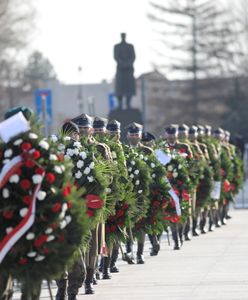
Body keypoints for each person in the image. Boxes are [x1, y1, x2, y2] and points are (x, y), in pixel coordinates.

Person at [55, 121, 86, 300]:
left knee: (74, 252)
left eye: (74, 135)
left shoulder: (83, 156)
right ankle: (62, 286)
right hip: (57, 209)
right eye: (69, 134)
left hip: (76, 210)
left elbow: (93, 183)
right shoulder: (53, 154)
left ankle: (73, 290)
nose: (73, 138)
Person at [114, 33, 136, 110]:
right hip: (120, 70)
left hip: (129, 70)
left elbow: (133, 56)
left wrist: (128, 64)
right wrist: (122, 64)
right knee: (120, 88)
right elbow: (116, 57)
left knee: (129, 87)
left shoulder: (130, 46)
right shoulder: (117, 46)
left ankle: (128, 104)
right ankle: (120, 105)